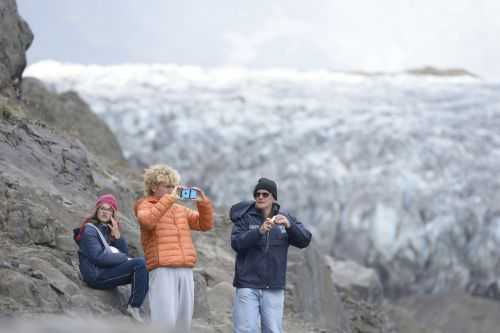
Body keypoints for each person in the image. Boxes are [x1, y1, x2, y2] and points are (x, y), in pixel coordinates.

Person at [134, 164, 214, 331]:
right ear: (154, 187)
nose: (172, 190)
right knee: (165, 322)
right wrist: (170, 198)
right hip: (162, 269)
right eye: (168, 186)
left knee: (183, 323)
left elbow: (205, 225)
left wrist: (203, 202)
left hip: (185, 269)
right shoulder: (144, 205)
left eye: (173, 186)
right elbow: (148, 221)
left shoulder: (179, 209)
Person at [230, 177, 312, 333]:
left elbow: (304, 240)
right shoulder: (245, 218)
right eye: (257, 194)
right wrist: (258, 232)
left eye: (265, 194)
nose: (260, 197)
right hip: (247, 284)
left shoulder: (285, 217)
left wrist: (290, 226)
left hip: (273, 286)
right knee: (246, 330)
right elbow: (236, 243)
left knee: (273, 330)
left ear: (274, 197)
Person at [74, 194, 148, 322]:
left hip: (104, 272)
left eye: (109, 210)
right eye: (102, 208)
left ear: (113, 213)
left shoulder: (108, 230)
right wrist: (123, 257)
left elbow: (124, 253)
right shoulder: (89, 230)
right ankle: (134, 307)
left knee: (143, 267)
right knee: (140, 264)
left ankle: (135, 306)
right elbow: (99, 257)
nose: (105, 212)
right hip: (95, 275)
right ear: (97, 210)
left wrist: (117, 237)